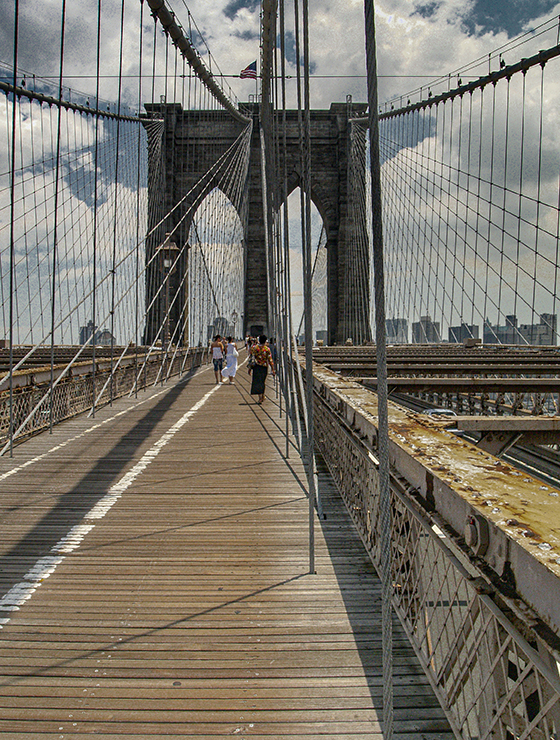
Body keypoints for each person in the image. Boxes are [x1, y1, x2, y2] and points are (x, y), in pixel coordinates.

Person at [249, 334, 275, 404]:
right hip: (264, 367)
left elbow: (252, 359)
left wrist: (249, 369)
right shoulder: (267, 349)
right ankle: (262, 396)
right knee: (262, 382)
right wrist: (273, 369)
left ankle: (261, 396)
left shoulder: (254, 348)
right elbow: (270, 360)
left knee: (258, 382)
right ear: (265, 341)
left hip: (256, 367)